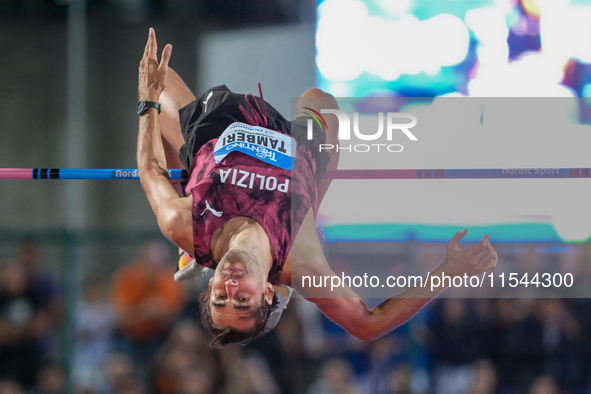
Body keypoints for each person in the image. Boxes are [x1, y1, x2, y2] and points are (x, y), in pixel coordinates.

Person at [136, 28, 498, 347]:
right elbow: (367, 326)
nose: (230, 290)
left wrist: (148, 101)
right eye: (242, 301)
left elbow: (151, 171)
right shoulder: (304, 265)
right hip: (297, 148)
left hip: (219, 131)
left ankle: (194, 241)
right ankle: (310, 207)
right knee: (321, 100)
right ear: (266, 293)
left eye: (219, 300)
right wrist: (447, 272)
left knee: (157, 76)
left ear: (211, 286)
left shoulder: (184, 223)